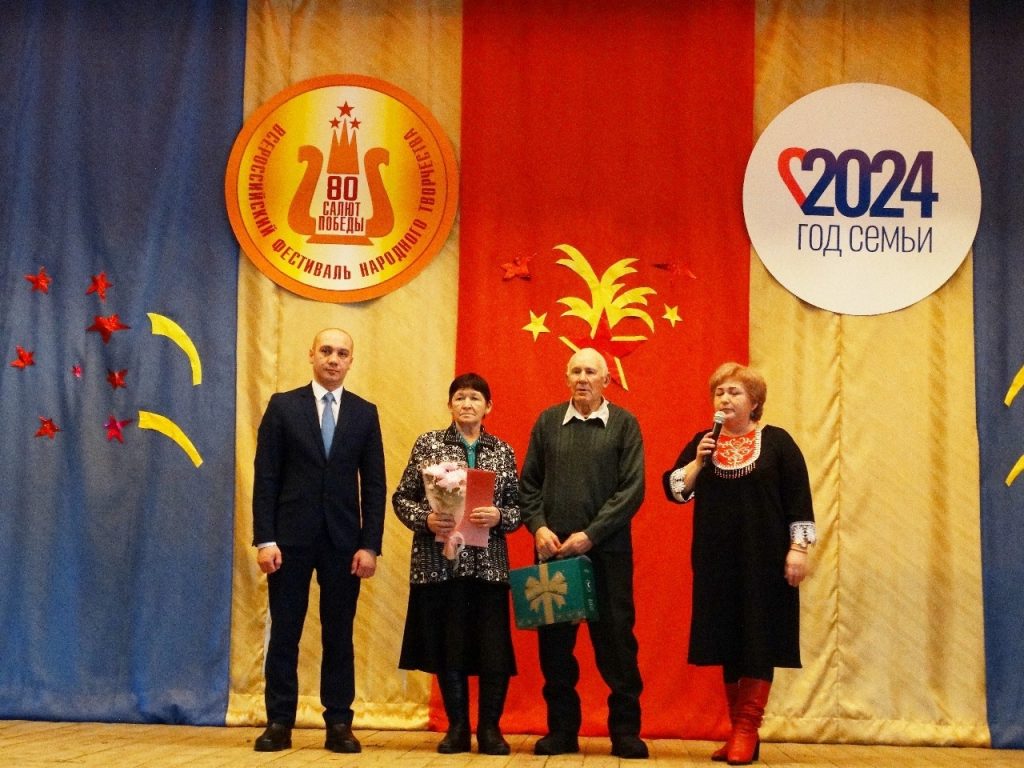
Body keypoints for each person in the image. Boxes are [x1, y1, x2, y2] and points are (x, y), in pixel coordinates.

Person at [662, 362, 814, 766]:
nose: (725, 399)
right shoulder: (703, 442)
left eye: (734, 392)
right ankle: (737, 730)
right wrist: (698, 462)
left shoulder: (778, 442)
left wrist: (798, 550)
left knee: (759, 638)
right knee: (727, 640)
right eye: (720, 392)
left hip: (766, 561)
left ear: (755, 402)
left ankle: (747, 728)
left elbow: (799, 500)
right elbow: (675, 492)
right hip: (716, 561)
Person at [251, 328, 386, 754]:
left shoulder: (364, 413)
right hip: (288, 541)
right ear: (311, 354)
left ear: (351, 361)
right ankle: (279, 722)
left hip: (344, 543)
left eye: (342, 353)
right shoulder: (283, 406)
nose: (333, 359)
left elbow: (375, 486)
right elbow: (266, 477)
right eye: (326, 350)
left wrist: (370, 545)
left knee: (339, 635)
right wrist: (265, 539)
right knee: (285, 633)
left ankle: (339, 723)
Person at [519, 347, 648, 760]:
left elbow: (632, 490)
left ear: (606, 380)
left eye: (591, 371)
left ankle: (625, 732)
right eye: (575, 371)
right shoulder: (547, 422)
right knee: (555, 648)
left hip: (608, 553)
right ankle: (561, 731)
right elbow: (528, 485)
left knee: (617, 643)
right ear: (566, 377)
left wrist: (591, 535)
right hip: (555, 554)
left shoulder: (625, 425)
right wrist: (538, 526)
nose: (582, 378)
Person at [392, 373, 521, 755]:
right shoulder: (428, 444)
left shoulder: (503, 450)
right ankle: (458, 728)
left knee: (493, 650)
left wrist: (499, 516)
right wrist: (426, 519)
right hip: (440, 563)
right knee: (450, 647)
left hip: (488, 565)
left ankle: (490, 730)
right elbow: (402, 498)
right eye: (460, 397)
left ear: (488, 407)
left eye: (475, 398)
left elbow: (519, 507)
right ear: (449, 405)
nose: (467, 404)